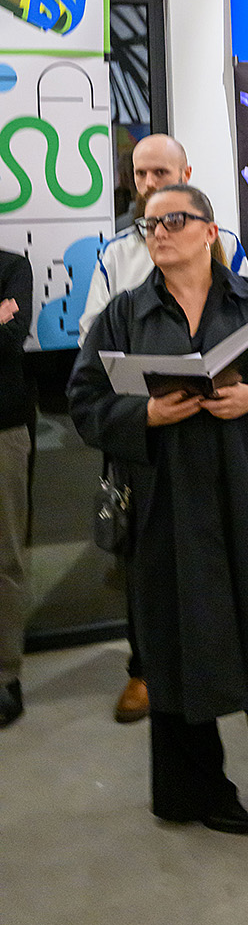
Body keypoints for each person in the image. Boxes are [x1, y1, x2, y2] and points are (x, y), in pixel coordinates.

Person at [68, 183, 248, 834]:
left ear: (209, 231)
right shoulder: (123, 315)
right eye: (150, 225)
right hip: (168, 505)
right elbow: (84, 401)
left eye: (174, 220)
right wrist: (145, 414)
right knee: (177, 646)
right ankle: (197, 795)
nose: (160, 232)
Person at [79, 132, 247, 725]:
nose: (149, 183)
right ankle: (145, 669)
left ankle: (227, 661)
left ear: (186, 175)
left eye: (160, 173)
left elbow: (247, 321)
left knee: (226, 548)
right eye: (140, 174)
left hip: (219, 426)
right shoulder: (115, 254)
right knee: (145, 558)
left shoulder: (225, 244)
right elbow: (93, 343)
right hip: (146, 431)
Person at [0, 250, 33, 728]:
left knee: (5, 559)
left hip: (3, 428)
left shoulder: (11, 268)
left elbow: (9, 343)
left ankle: (5, 675)